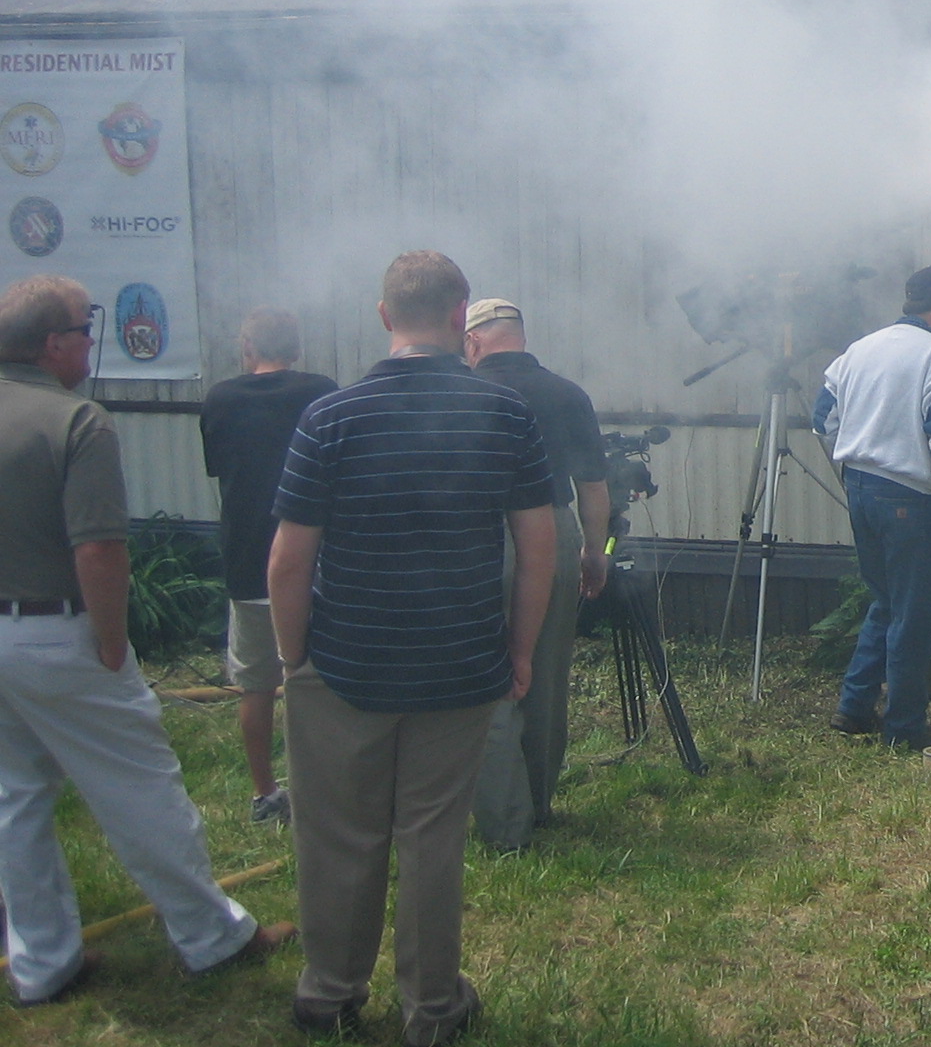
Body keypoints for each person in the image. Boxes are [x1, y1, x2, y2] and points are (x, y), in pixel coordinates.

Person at [269, 251, 556, 1044]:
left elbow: (288, 561)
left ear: (385, 315)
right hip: (460, 660)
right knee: (432, 839)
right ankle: (432, 1007)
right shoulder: (505, 415)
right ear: (462, 314)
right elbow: (539, 548)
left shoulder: (331, 417)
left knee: (338, 834)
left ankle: (329, 993)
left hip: (345, 660)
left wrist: (294, 659)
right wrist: (520, 649)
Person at [0, 275, 295, 1005]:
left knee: (16, 801)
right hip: (57, 632)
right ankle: (212, 935)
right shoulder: (77, 421)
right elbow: (98, 549)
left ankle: (41, 962)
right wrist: (109, 642)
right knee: (142, 789)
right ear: (51, 344)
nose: (89, 340)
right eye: (82, 327)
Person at [462, 297, 611, 851]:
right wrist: (594, 552)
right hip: (556, 531)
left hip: (481, 537)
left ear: (473, 342)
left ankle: (506, 824)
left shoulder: (469, 393)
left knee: (492, 678)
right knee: (544, 674)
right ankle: (540, 803)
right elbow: (593, 488)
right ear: (519, 336)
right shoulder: (567, 394)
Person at [813, 264, 931, 751]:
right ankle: (904, 729)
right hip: (907, 496)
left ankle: (854, 707)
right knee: (916, 613)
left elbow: (823, 418)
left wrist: (850, 462)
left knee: (885, 602)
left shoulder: (861, 349)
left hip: (860, 490)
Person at [199, 307, 338, 824]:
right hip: (315, 564)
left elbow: (220, 470)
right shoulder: (321, 392)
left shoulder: (219, 399)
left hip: (248, 562)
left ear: (247, 348)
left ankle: (265, 793)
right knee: (317, 684)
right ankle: (320, 789)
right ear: (296, 348)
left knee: (255, 684)